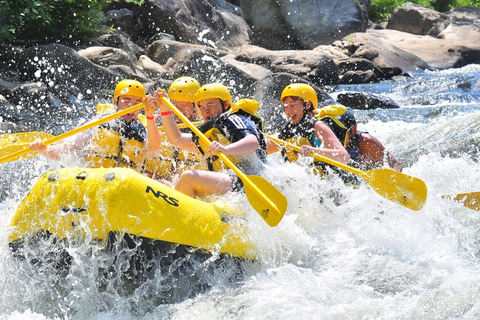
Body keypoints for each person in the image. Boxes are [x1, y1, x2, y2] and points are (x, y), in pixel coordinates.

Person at [151, 83, 265, 198]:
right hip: (223, 182)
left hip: (246, 179)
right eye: (202, 107)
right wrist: (164, 108)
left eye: (210, 105)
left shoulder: (233, 119)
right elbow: (177, 139)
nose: (206, 111)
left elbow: (252, 142)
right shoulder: (204, 131)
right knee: (164, 184)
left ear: (225, 104)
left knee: (188, 178)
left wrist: (225, 149)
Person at [30, 79, 162, 172]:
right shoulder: (98, 123)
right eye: (126, 101)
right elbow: (66, 149)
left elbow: (154, 146)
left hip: (125, 187)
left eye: (137, 102)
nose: (131, 106)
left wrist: (150, 115)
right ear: (115, 102)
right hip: (96, 181)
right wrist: (44, 149)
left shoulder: (142, 130)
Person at [266, 83, 350, 170]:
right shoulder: (287, 131)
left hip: (328, 180)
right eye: (286, 105)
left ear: (307, 105)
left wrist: (313, 151)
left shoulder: (318, 126)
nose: (288, 110)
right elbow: (262, 150)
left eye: (293, 104)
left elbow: (344, 157)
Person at [143, 76, 208, 180]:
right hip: (154, 181)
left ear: (196, 109)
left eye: (184, 106)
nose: (178, 111)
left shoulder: (204, 128)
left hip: (184, 189)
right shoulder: (155, 120)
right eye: (175, 106)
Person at [325, 107, 403, 172]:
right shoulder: (321, 139)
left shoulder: (366, 142)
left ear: (354, 130)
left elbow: (396, 164)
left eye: (339, 133)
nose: (333, 137)